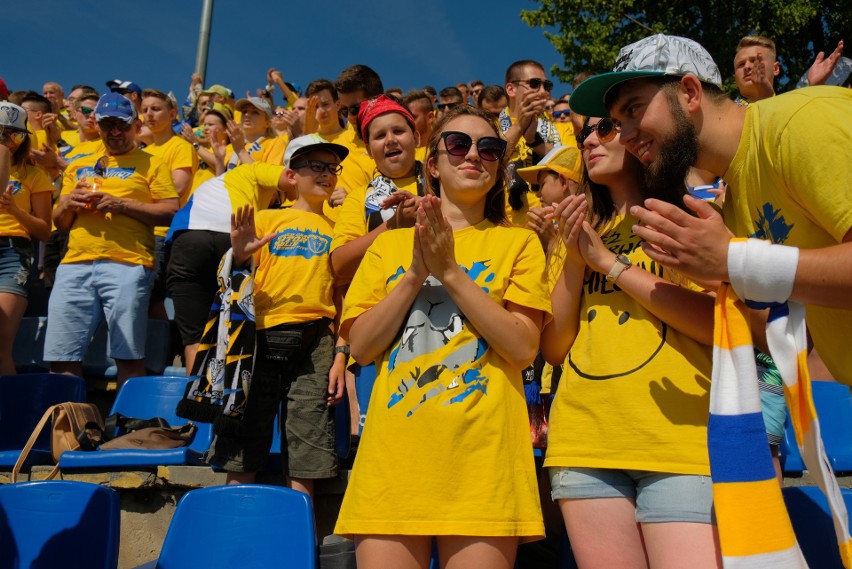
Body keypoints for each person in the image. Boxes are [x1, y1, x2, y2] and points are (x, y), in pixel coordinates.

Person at [334, 104, 551, 569]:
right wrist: (415, 272)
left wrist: (450, 272)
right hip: (392, 462)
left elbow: (522, 347)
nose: (474, 155)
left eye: (489, 148)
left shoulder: (519, 243)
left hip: (484, 460)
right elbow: (363, 347)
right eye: (458, 144)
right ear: (432, 164)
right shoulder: (389, 245)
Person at [568, 33, 852, 386]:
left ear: (690, 92)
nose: (623, 136)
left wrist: (735, 261)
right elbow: (787, 340)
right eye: (616, 121)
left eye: (633, 109)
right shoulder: (734, 200)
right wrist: (724, 275)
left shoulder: (800, 122)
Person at [540, 111, 720, 569]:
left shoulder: (685, 217)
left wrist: (611, 265)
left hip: (680, 436)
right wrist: (578, 260)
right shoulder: (574, 230)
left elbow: (717, 325)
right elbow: (555, 348)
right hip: (585, 439)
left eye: (605, 128)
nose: (589, 141)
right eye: (584, 135)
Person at [208, 134, 349, 502]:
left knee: (310, 429)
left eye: (331, 168)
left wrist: (340, 353)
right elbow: (232, 283)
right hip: (261, 333)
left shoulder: (338, 229)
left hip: (317, 337)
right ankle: (233, 516)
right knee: (247, 426)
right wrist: (239, 255)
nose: (326, 174)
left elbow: (341, 295)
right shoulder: (266, 218)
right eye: (315, 166)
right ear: (291, 175)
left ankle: (300, 528)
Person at [45, 93, 179, 386]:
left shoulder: (152, 164)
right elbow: (60, 222)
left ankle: (126, 427)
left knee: (128, 355)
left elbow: (171, 211)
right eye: (108, 125)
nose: (115, 132)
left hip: (128, 264)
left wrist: (121, 205)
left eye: (122, 124)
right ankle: (67, 428)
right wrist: (68, 204)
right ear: (97, 124)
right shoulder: (78, 163)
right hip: (75, 263)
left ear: (136, 125)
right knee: (61, 356)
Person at [166, 159, 294, 374]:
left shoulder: (211, 186)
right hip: (231, 237)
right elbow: (291, 178)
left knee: (195, 337)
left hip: (185, 239)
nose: (274, 202)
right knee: (234, 330)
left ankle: (195, 401)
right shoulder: (251, 169)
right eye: (277, 197)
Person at [0, 103, 52, 374]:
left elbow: (44, 230)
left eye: (13, 135)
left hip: (13, 252)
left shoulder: (35, 175)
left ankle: (4, 413)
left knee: (1, 340)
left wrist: (16, 210)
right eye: (0, 134)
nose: (6, 142)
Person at [141, 89, 199, 320]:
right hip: (139, 231)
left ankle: (160, 352)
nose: (149, 114)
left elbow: (178, 189)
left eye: (155, 109)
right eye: (145, 110)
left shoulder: (181, 147)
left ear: (173, 113)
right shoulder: (144, 152)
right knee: (141, 297)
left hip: (162, 232)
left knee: (152, 298)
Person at [516, 145, 583, 251]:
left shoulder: (585, 224)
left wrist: (551, 241)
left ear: (563, 182)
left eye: (542, 184)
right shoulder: (555, 223)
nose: (537, 194)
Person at [402, 90, 435, 162]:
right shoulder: (401, 154)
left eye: (413, 117)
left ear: (430, 117)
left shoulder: (443, 150)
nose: (408, 123)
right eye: (406, 119)